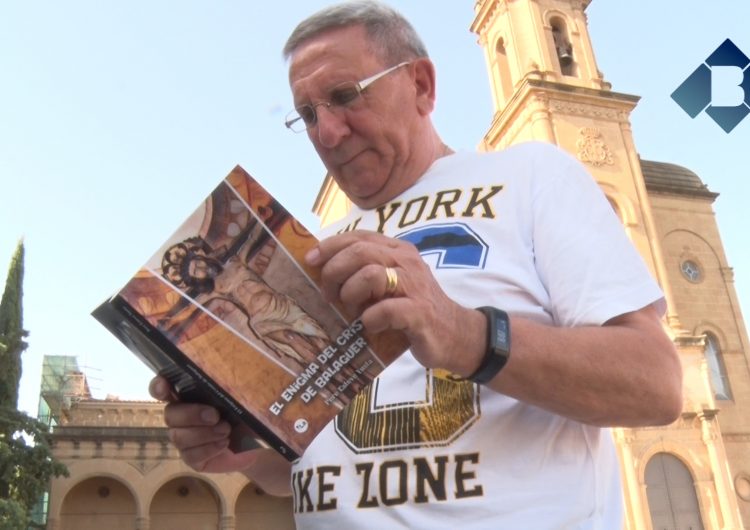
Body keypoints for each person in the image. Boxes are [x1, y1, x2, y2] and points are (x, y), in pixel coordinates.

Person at [149, 1, 683, 528]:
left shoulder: (530, 176)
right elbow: (316, 468)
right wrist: (238, 453)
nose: (326, 133)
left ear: (422, 86)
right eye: (308, 115)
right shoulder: (314, 245)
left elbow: (655, 383)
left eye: (344, 96)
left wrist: (466, 333)